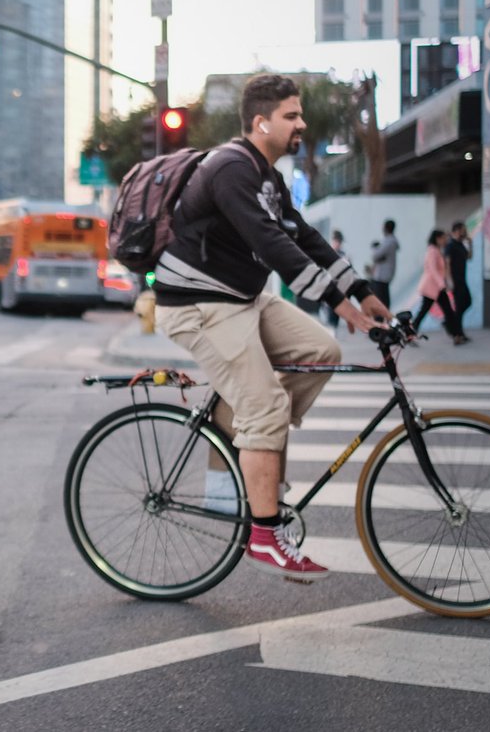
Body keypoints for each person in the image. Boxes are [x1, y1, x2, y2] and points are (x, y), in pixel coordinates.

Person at [153, 74, 390, 582]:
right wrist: (339, 303)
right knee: (265, 405)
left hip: (240, 296)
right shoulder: (230, 169)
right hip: (198, 303)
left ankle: (250, 435)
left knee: (320, 350)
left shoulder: (266, 176)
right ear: (261, 122)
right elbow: (271, 243)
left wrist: (365, 291)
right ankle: (264, 533)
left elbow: (303, 237)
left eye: (300, 114)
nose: (302, 123)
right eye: (292, 115)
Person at [413, 228, 466, 345]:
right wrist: (442, 284)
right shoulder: (432, 251)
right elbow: (432, 270)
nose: (445, 240)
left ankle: (456, 334)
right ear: (437, 239)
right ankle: (456, 334)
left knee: (447, 311)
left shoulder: (437, 250)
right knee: (426, 312)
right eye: (443, 238)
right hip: (432, 287)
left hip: (436, 288)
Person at [445, 220, 473, 334]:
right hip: (455, 280)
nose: (465, 232)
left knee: (467, 302)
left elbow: (469, 257)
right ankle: (458, 333)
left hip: (462, 279)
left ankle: (452, 325)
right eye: (463, 230)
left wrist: (470, 244)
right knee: (459, 306)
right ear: (456, 231)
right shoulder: (450, 245)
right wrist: (449, 281)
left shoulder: (461, 244)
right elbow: (447, 264)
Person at [367, 219, 399, 307]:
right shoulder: (389, 241)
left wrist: (374, 248)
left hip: (381, 276)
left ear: (385, 228)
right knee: (382, 301)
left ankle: (380, 320)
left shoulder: (389, 242)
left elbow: (375, 256)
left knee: (380, 302)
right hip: (383, 276)